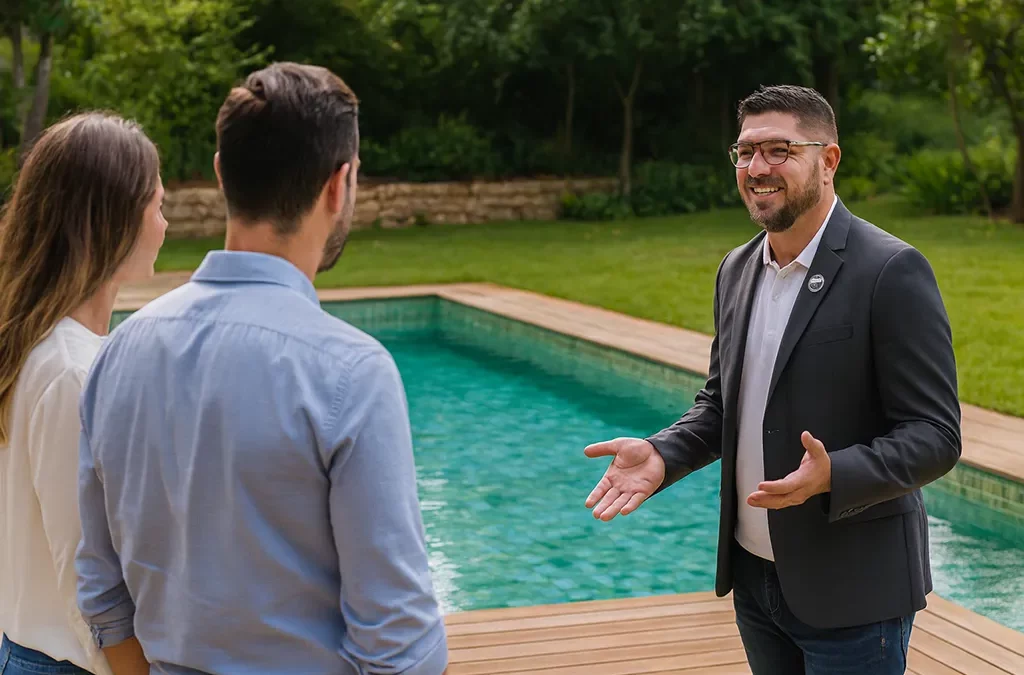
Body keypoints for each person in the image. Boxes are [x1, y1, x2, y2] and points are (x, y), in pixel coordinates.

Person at [74, 62, 449, 675]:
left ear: (222, 174)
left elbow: (102, 591)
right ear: (341, 184)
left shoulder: (119, 350)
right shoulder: (350, 373)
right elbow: (399, 643)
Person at [583, 84, 961, 674]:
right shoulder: (736, 269)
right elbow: (722, 404)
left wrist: (836, 473)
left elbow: (935, 434)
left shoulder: (890, 270)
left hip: (854, 590)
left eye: (779, 150)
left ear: (828, 160)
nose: (756, 168)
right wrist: (663, 453)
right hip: (755, 582)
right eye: (744, 152)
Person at [0, 113, 167, 675]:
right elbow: (87, 582)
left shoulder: (35, 346)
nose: (165, 224)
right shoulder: (72, 371)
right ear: (113, 218)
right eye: (158, 206)